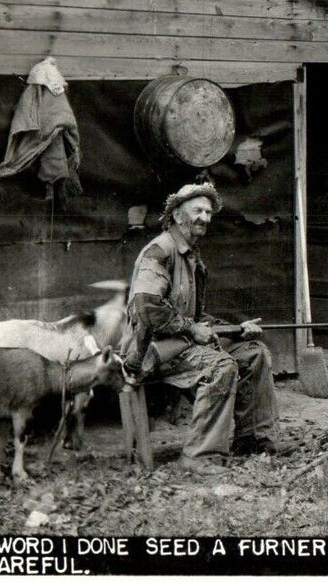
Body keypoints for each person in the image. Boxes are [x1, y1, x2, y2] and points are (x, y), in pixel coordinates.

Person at [119, 182, 284, 474]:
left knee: (254, 353)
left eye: (208, 212)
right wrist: (192, 330)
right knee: (220, 366)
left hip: (180, 343)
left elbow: (193, 316)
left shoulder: (192, 256)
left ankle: (253, 443)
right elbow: (146, 307)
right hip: (150, 351)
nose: (205, 218)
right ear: (178, 215)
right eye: (198, 211)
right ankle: (199, 457)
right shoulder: (160, 251)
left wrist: (236, 329)